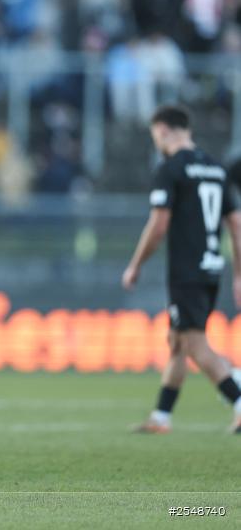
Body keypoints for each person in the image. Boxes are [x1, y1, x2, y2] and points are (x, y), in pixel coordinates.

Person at [123, 105, 241, 434]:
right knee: (177, 340)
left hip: (186, 271)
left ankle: (239, 401)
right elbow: (236, 224)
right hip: (211, 267)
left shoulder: (171, 169)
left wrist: (135, 265)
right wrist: (239, 275)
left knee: (194, 344)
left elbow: (158, 225)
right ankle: (161, 417)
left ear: (162, 131)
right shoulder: (216, 169)